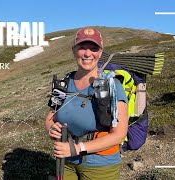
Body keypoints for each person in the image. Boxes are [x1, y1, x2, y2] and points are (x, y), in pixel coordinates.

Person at [45, 27, 128, 180]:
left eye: (94, 48)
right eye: (82, 47)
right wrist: (52, 129)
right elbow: (50, 117)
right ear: (74, 50)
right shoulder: (64, 83)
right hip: (65, 160)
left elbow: (119, 134)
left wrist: (77, 149)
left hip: (100, 164)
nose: (87, 53)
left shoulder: (112, 86)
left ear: (100, 52)